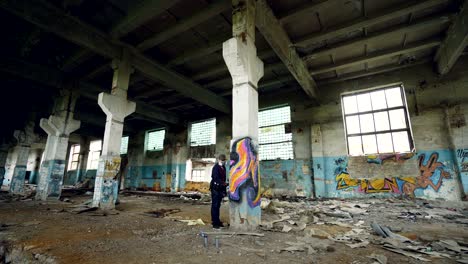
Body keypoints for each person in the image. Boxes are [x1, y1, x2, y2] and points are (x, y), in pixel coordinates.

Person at [210, 154, 227, 229]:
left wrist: (224, 190)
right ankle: (214, 223)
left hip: (220, 188)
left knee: (218, 206)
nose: (223, 162)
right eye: (222, 160)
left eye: (224, 160)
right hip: (215, 188)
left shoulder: (223, 167)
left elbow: (223, 178)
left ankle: (217, 221)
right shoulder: (215, 168)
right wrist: (223, 183)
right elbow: (216, 178)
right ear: (218, 160)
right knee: (215, 205)